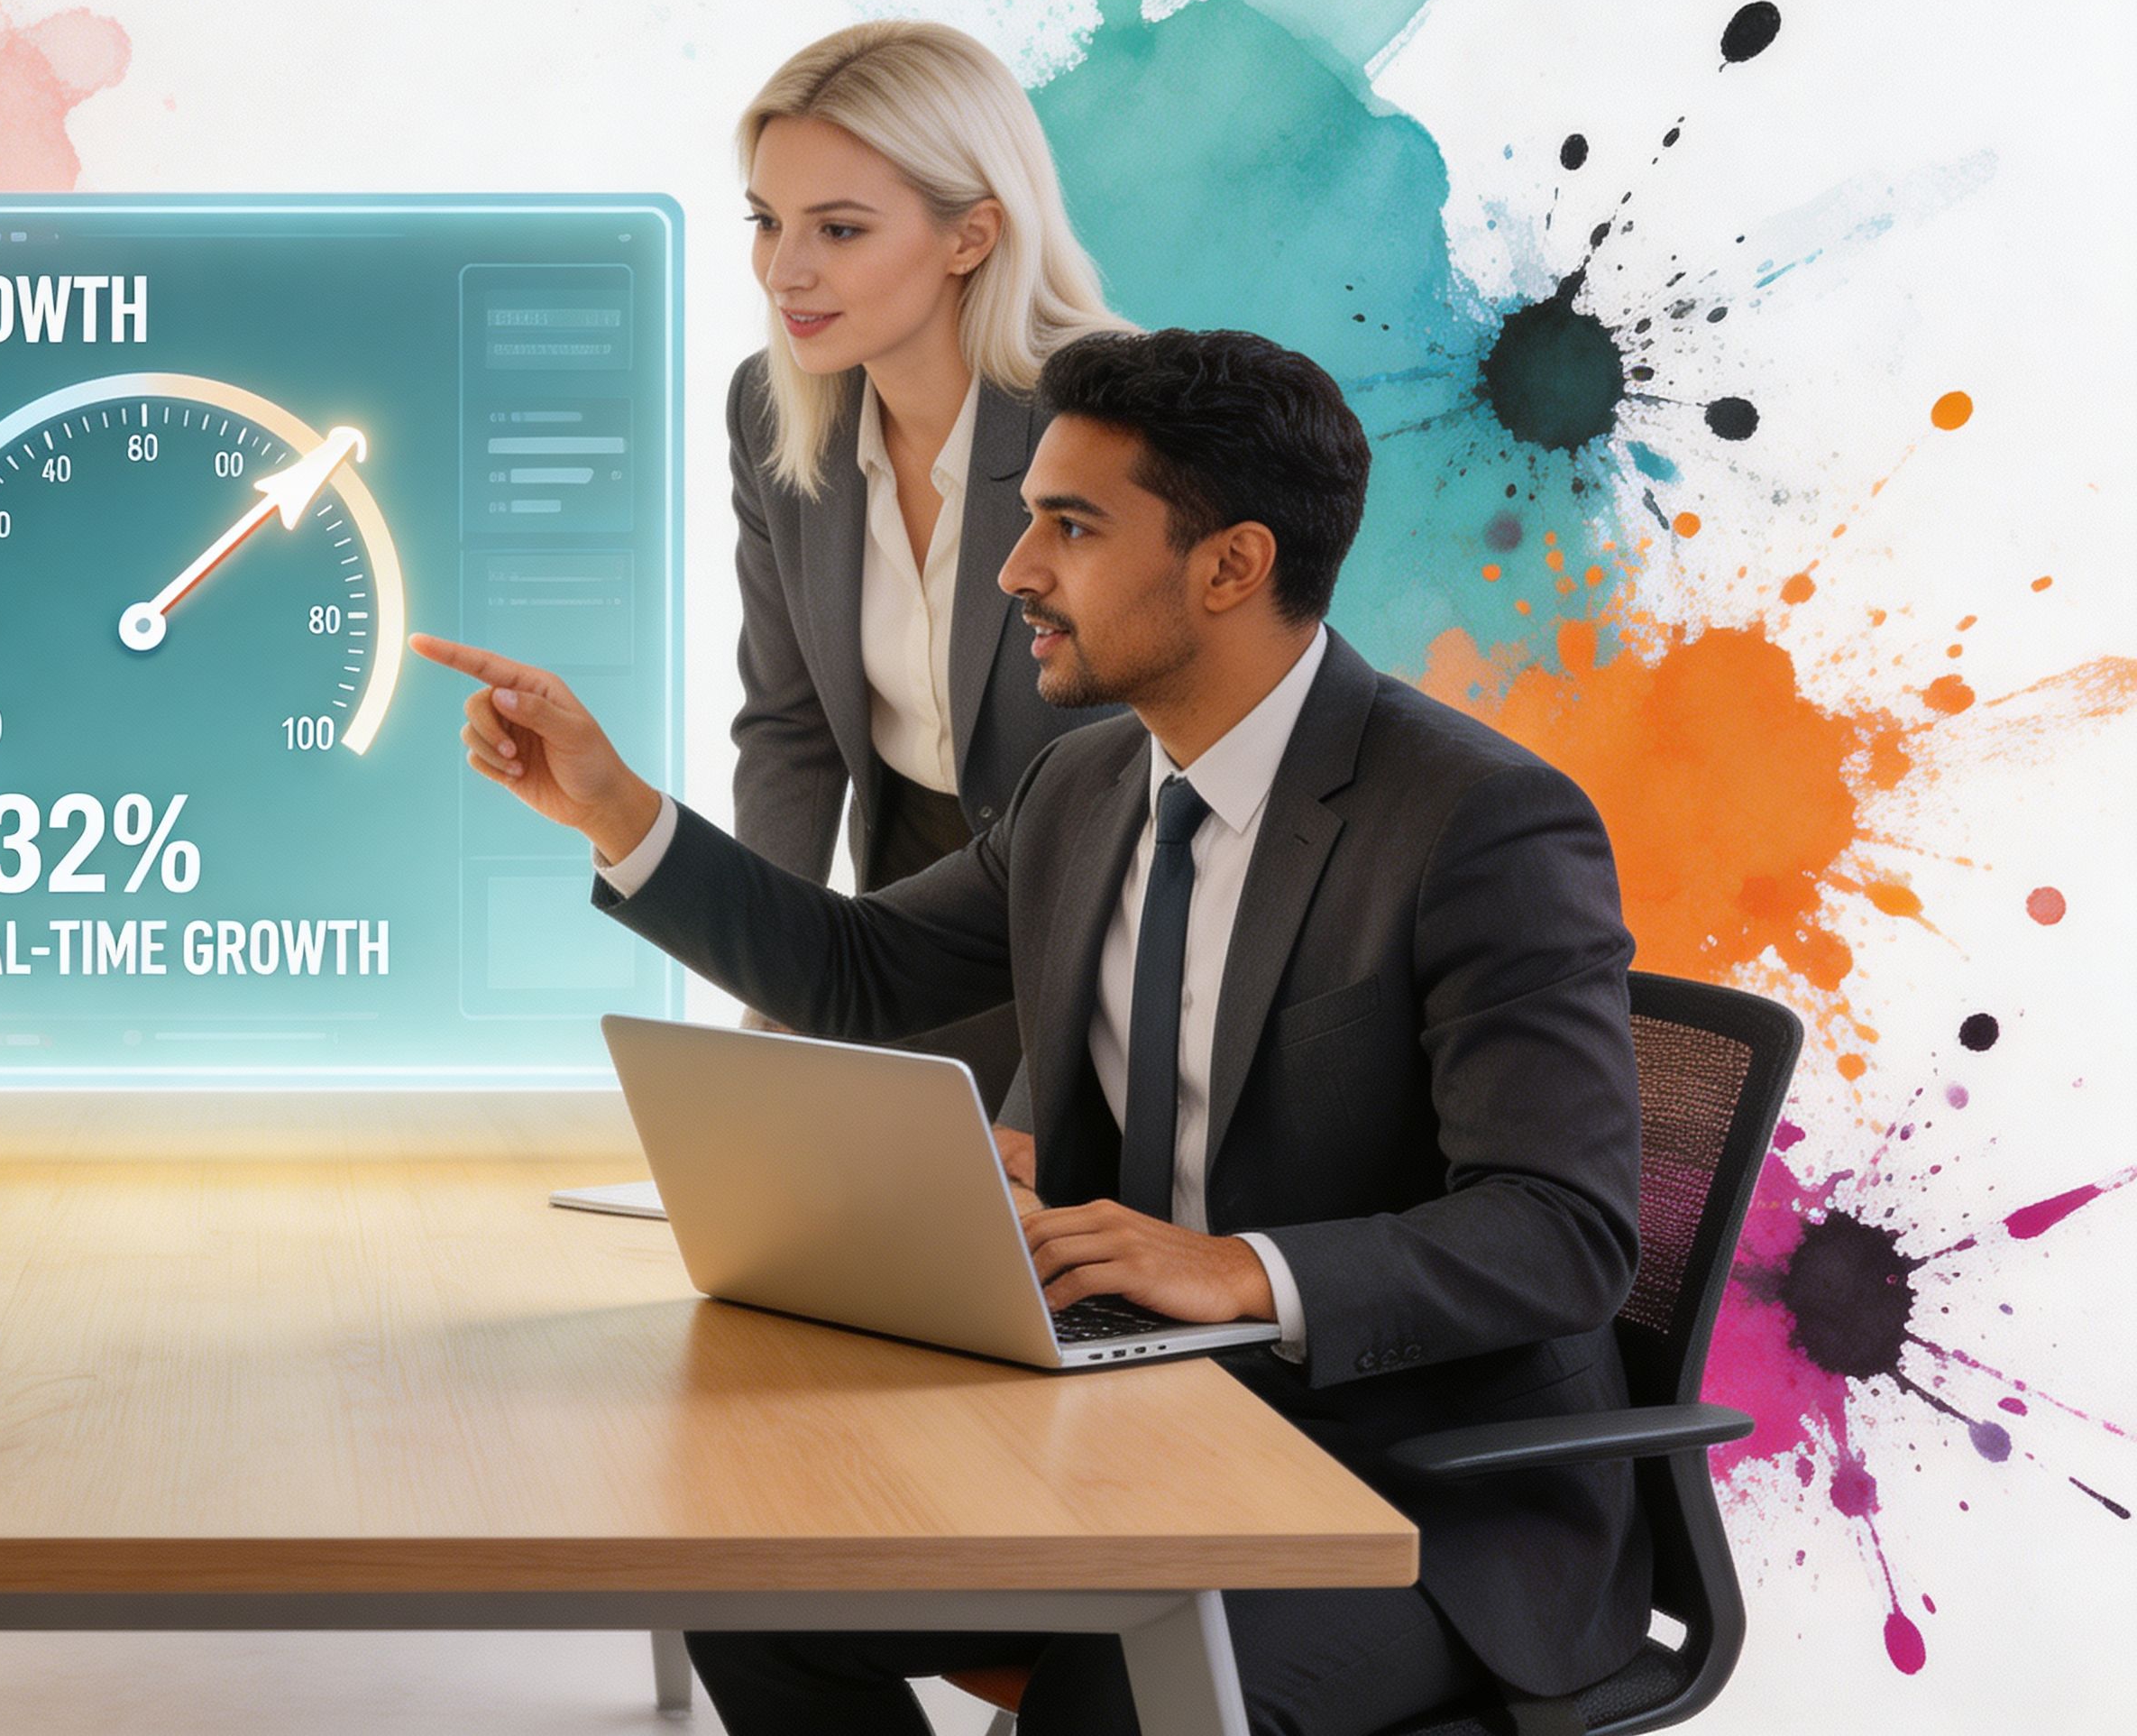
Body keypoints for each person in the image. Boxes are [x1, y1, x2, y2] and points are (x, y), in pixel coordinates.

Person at [415, 331, 1647, 1736]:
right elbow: (858, 968)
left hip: (1416, 1491)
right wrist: (612, 808)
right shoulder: (1089, 785)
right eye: (1027, 519)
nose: (1014, 572)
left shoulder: (1478, 821)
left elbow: (1563, 1228)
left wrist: (1234, 1269)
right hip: (1137, 1420)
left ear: (1232, 566)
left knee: (1111, 1701)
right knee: (756, 1586)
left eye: (1071, 527)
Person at [725, 21, 1132, 1098]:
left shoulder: (1115, 415)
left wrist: (1049, 1104)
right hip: (904, 909)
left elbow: (1159, 773)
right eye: (767, 222)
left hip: (1117, 931)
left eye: (840, 230)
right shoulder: (773, 410)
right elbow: (790, 727)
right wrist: (771, 985)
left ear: (972, 234)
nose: (786, 271)